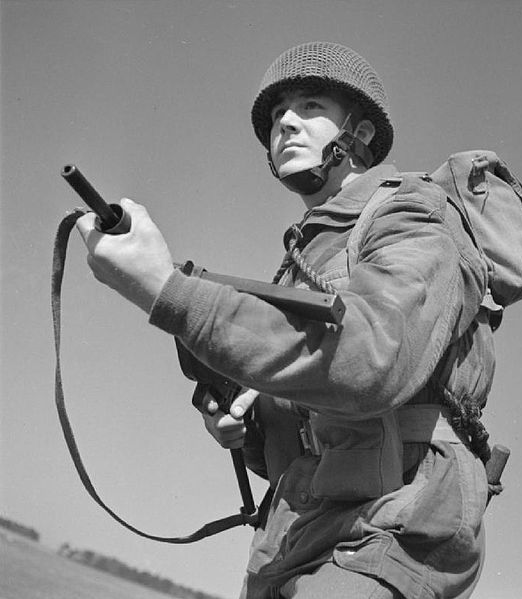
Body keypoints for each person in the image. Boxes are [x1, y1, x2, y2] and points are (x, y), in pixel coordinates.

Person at [76, 42, 495, 599]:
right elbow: (306, 438)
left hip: (394, 529)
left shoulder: (411, 212)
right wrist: (242, 426)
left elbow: (377, 360)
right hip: (299, 537)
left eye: (311, 106)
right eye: (276, 116)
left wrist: (167, 291)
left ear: (361, 134)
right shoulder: (304, 259)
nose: (285, 124)